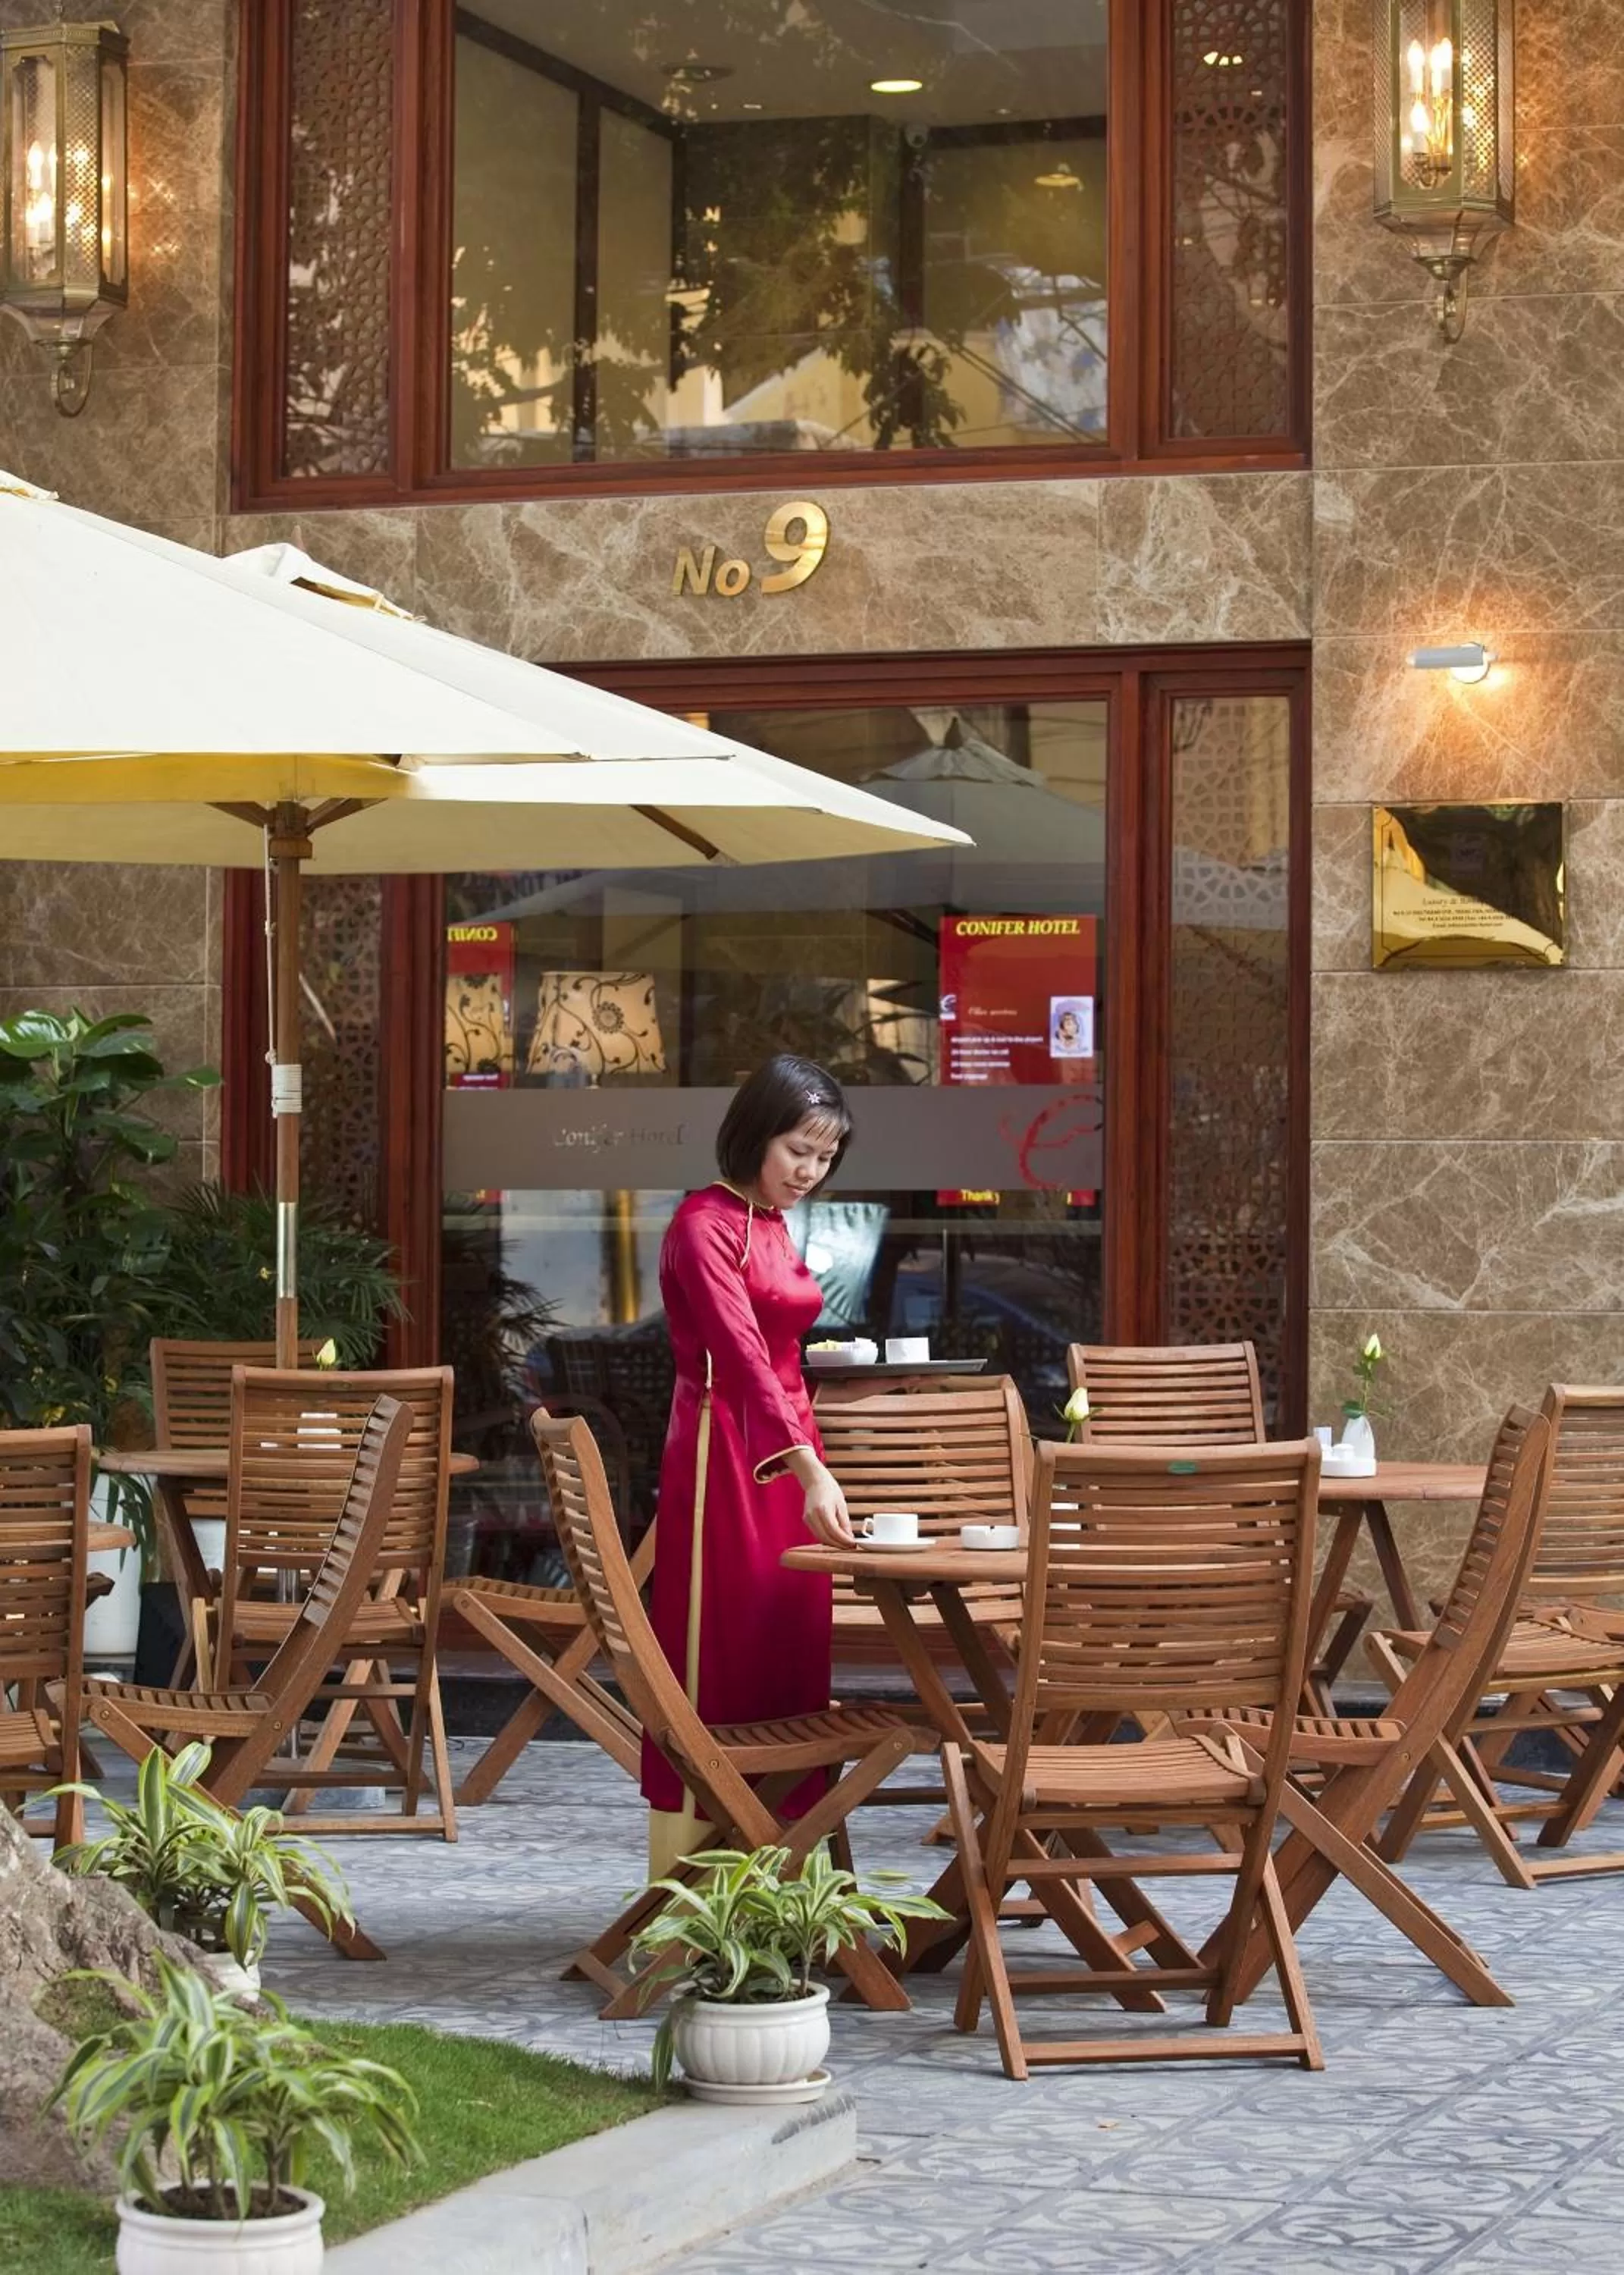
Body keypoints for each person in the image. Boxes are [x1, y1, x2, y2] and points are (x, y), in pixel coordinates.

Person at [641, 1055, 856, 1878]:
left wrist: (809, 1462)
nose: (810, 1171)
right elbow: (737, 1358)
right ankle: (699, 1872)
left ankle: (790, 1864)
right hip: (724, 1455)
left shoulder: (764, 1220)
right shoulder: (705, 1224)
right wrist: (808, 1470)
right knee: (724, 1647)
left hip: (787, 1442)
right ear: (755, 1135)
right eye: (799, 1149)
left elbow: (778, 1353)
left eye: (825, 1157)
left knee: (789, 1641)